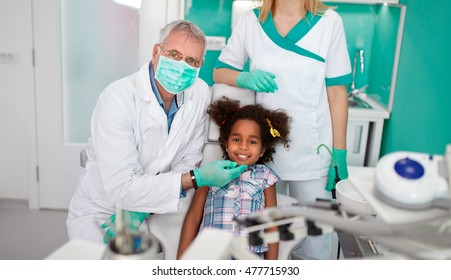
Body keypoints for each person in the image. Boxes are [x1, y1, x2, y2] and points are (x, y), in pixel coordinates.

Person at [66, 20, 247, 244]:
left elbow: (188, 157)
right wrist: (195, 179)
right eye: (174, 54)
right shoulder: (117, 99)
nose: (182, 65)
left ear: (200, 64)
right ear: (155, 52)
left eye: (191, 60)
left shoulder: (198, 92)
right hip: (102, 210)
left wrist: (143, 208)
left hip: (153, 208)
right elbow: (121, 187)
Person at [213, 0, 352, 259]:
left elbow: (337, 92)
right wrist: (243, 77)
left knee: (315, 242)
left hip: (313, 156)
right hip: (264, 155)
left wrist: (339, 155)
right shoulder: (250, 22)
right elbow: (219, 71)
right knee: (266, 240)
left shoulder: (330, 22)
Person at [177, 97, 292, 260]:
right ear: (226, 143)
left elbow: (271, 224)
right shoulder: (210, 172)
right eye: (236, 139)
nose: (243, 146)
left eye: (252, 141)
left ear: (262, 150)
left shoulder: (265, 177)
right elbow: (193, 218)